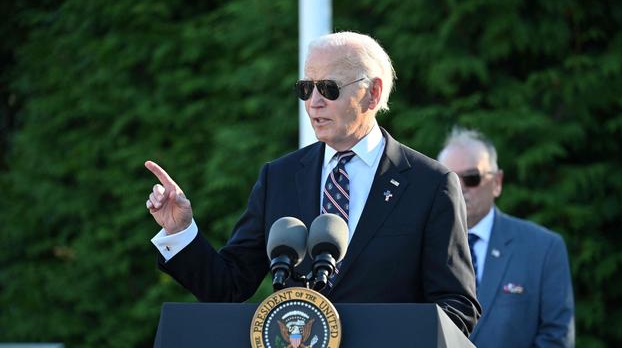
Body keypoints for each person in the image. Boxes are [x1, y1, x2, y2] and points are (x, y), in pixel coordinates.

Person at [145, 32, 480, 335]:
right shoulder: (279, 177)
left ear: (373, 94)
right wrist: (181, 231)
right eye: (306, 88)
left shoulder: (430, 183)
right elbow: (228, 287)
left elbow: (456, 308)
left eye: (329, 89)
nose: (313, 102)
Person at [437, 127, 575, 347]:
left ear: (497, 182)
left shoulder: (543, 248)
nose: (460, 188)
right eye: (450, 179)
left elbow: (556, 338)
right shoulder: (421, 245)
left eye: (472, 178)